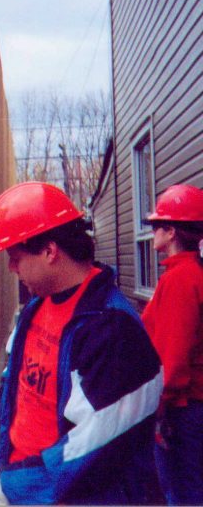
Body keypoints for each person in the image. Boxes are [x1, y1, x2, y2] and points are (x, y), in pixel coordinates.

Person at [0, 182, 163, 505]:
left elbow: (98, 444)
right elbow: (28, 386)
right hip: (34, 485)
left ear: (49, 251)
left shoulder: (111, 330)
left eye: (15, 257)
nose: (11, 268)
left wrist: (13, 486)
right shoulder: (36, 308)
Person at [140, 184, 203, 505]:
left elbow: (174, 358)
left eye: (156, 226)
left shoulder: (181, 279)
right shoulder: (189, 274)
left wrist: (158, 409)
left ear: (172, 231)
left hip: (183, 410)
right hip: (188, 406)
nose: (152, 233)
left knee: (183, 494)